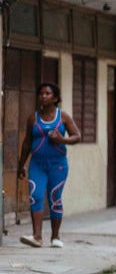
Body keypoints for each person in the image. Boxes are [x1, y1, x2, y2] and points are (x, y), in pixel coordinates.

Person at [16, 83, 80, 248]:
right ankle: (37, 237)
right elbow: (27, 143)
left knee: (54, 198)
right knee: (35, 196)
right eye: (41, 93)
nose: (43, 96)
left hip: (58, 165)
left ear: (56, 98)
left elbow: (77, 136)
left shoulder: (63, 117)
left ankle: (55, 237)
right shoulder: (33, 118)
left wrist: (62, 140)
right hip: (37, 164)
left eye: (47, 94)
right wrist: (21, 164)